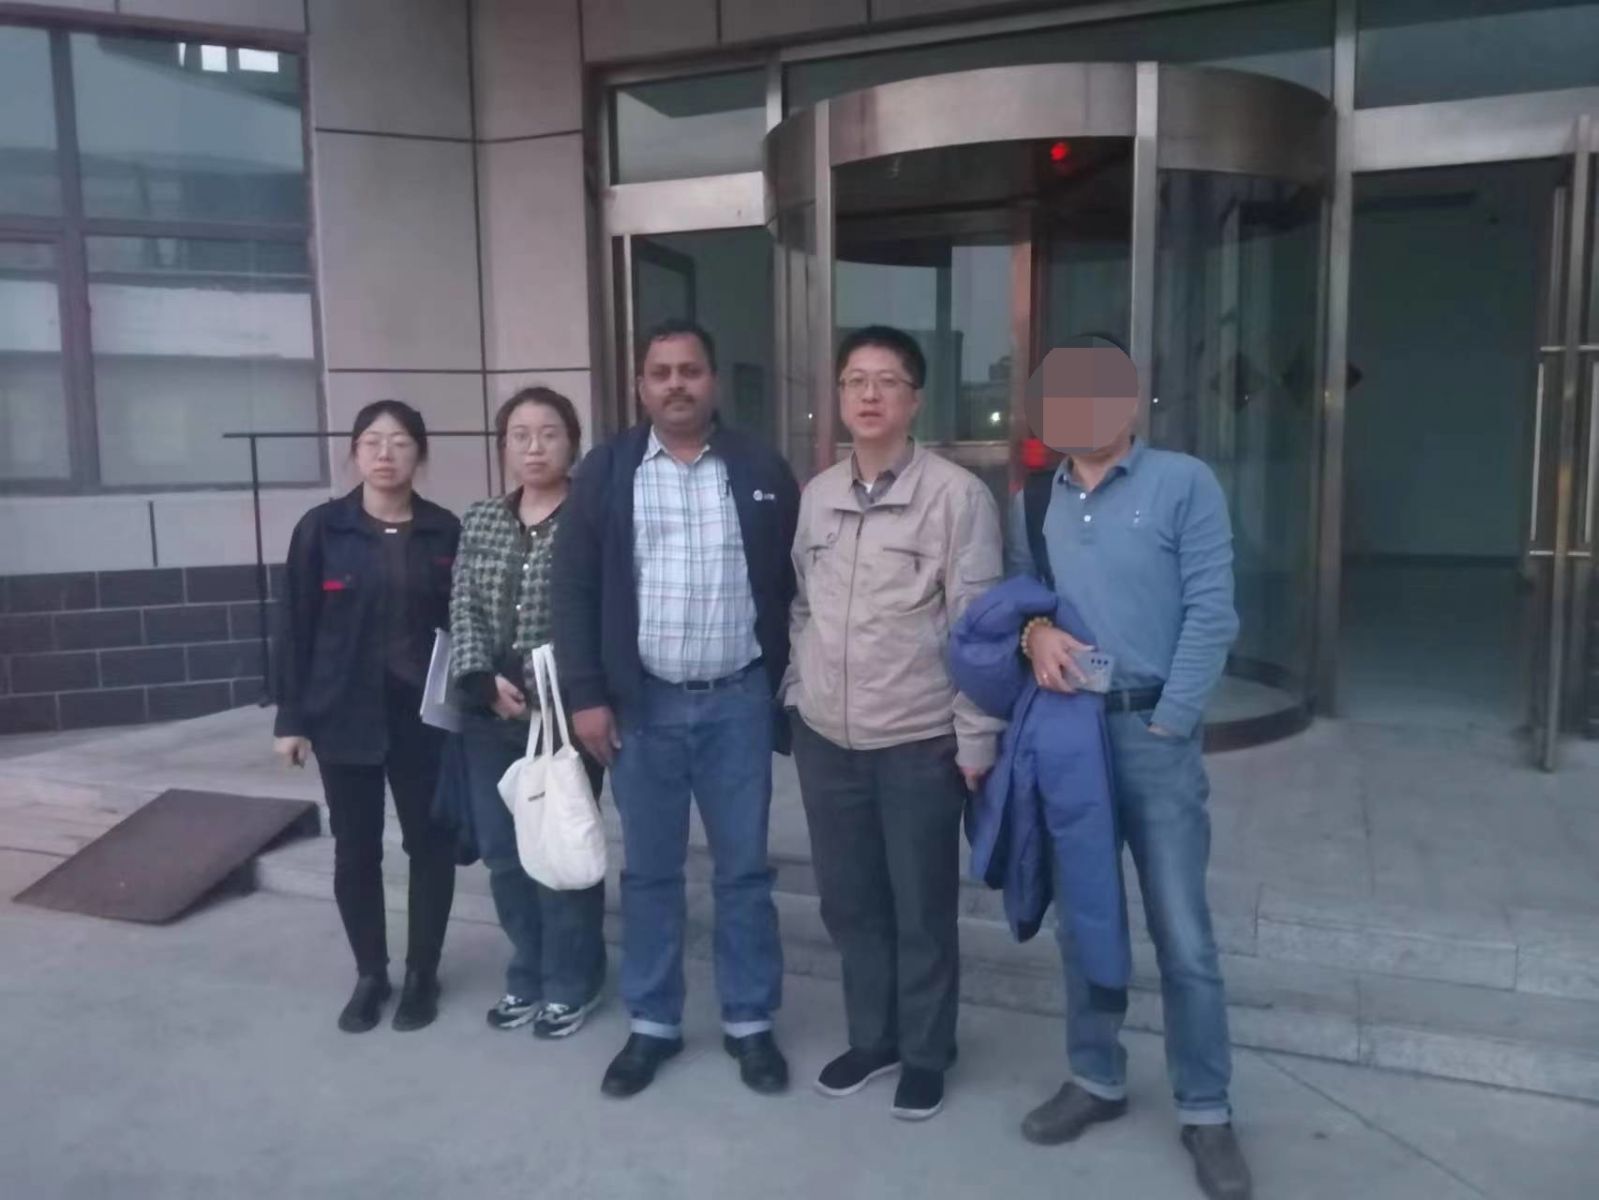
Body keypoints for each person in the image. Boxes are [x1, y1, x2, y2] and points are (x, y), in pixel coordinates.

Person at [1009, 337, 1249, 1200]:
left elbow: (1212, 612)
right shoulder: (1034, 497)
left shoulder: (1183, 482)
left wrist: (1170, 720)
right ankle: (1095, 1078)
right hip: (1070, 733)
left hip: (1152, 732)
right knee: (1083, 921)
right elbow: (1021, 596)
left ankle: (1206, 1110)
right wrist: (1033, 634)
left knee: (1181, 931)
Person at [551, 318, 799, 1099]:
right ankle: (652, 1021)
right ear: (640, 386)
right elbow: (573, 590)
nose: (675, 385)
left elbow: (791, 584)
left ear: (712, 380)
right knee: (651, 873)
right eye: (660, 372)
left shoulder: (758, 467)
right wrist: (587, 696)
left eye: (689, 370)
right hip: (642, 707)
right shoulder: (607, 470)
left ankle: (749, 1021)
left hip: (738, 702)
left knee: (743, 873)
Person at [785, 325, 1004, 1122]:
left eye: (886, 381)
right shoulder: (818, 495)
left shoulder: (956, 498)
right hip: (826, 740)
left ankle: (925, 1052)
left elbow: (979, 632)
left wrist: (974, 738)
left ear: (914, 400)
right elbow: (802, 604)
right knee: (849, 904)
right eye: (854, 381)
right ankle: (871, 1039)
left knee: (921, 909)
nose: (868, 395)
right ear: (840, 397)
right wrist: (797, 688)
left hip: (917, 740)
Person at [274, 400, 461, 1034]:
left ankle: (422, 973)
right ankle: (370, 974)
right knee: (356, 850)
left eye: (401, 442)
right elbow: (294, 627)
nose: (386, 454)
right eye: (373, 442)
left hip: (423, 719)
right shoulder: (321, 529)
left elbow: (464, 624)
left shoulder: (444, 530)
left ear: (420, 454)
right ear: (354, 453)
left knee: (429, 845)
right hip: (342, 713)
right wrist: (291, 719)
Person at [449, 386, 607, 1040]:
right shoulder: (482, 518)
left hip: (564, 716)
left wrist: (565, 686)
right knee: (504, 853)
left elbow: (600, 611)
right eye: (520, 435)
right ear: (504, 446)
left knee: (560, 846)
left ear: (572, 443)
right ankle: (530, 971)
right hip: (490, 714)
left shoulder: (592, 517)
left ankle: (574, 980)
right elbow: (462, 603)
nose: (534, 447)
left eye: (548, 434)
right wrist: (478, 679)